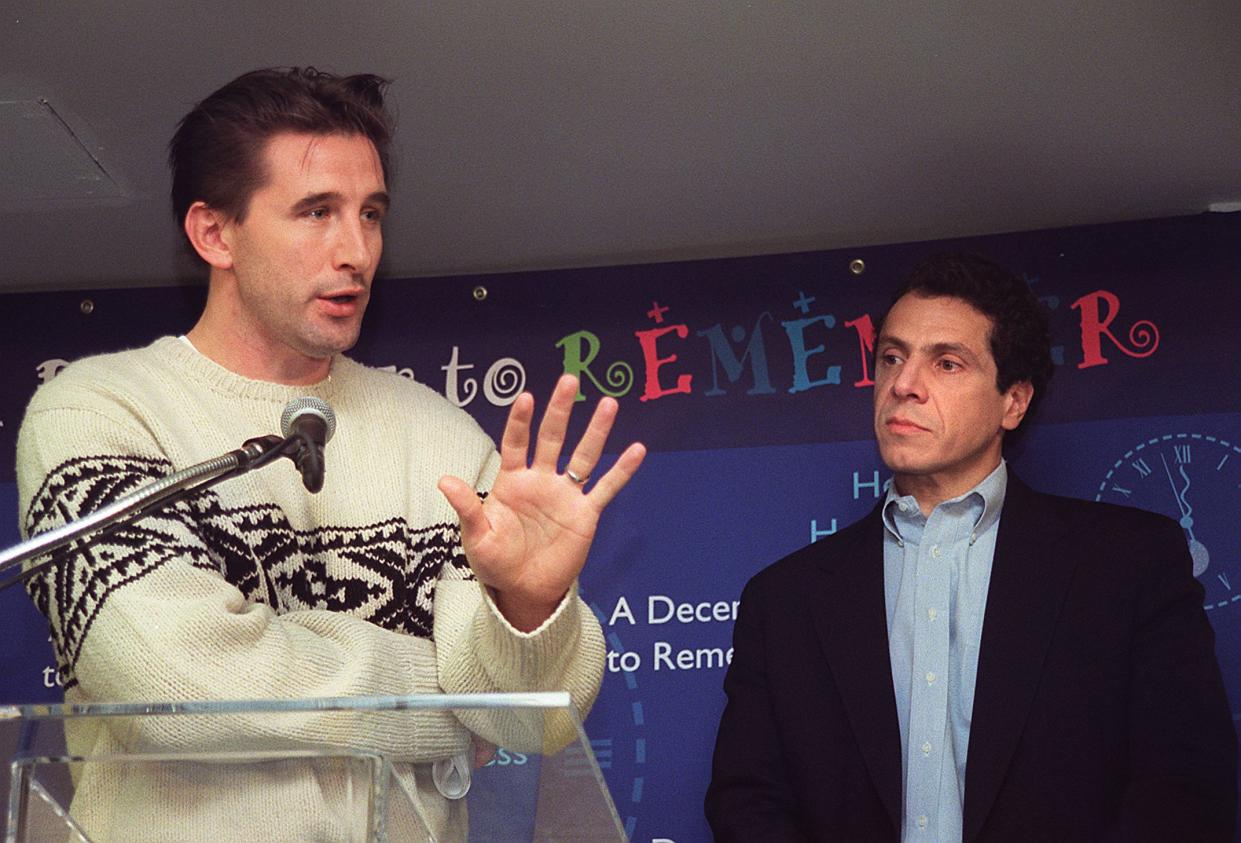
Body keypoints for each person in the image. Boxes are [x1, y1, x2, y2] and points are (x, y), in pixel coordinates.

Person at [16, 67, 645, 841]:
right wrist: (445, 707)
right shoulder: (100, 408)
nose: (357, 250)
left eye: (371, 214)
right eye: (317, 212)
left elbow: (530, 718)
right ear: (214, 233)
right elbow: (176, 685)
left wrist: (526, 609)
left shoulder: (442, 438)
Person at [704, 252, 1237, 841]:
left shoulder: (1130, 564)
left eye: (948, 364)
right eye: (891, 358)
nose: (904, 386)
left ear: (1014, 401)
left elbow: (1186, 791)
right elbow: (748, 806)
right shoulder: (783, 600)